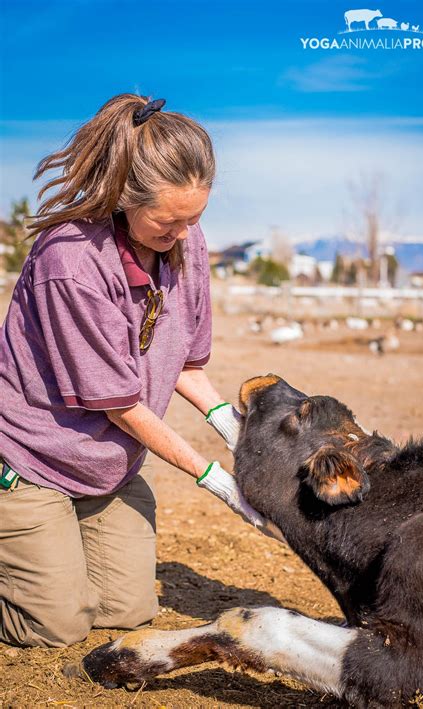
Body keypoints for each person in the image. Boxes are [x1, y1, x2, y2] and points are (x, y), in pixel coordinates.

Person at [0, 93, 278, 649]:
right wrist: (221, 484)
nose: (183, 233)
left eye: (194, 218)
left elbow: (183, 365)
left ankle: (59, 546)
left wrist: (239, 436)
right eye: (168, 220)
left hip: (105, 468)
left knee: (124, 611)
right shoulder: (71, 262)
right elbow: (119, 403)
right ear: (124, 197)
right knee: (55, 627)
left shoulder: (185, 242)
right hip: (29, 458)